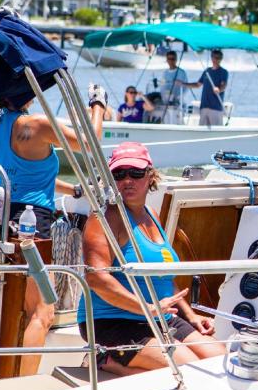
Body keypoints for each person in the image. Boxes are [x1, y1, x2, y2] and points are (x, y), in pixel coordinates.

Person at [0, 88, 107, 376]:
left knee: (14, 306)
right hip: (33, 226)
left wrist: (72, 189)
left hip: (3, 221)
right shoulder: (36, 125)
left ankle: (1, 374)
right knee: (43, 312)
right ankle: (25, 386)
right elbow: (91, 143)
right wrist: (98, 106)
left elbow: (24, 178)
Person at [77, 142, 224, 373]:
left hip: (158, 316)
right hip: (113, 321)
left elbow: (164, 280)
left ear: (150, 176)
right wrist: (147, 308)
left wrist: (191, 315)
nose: (127, 180)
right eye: (119, 174)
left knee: (220, 361)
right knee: (190, 370)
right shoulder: (104, 219)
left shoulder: (152, 215)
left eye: (135, 173)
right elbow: (96, 279)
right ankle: (106, 362)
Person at [159, 49, 196, 124]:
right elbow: (162, 86)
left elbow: (185, 88)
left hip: (178, 103)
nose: (171, 61)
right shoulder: (165, 73)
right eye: (169, 59)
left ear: (176, 60)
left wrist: (176, 97)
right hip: (166, 103)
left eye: (173, 59)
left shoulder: (181, 72)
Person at [197, 50, 228, 127]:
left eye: (219, 58)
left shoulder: (223, 72)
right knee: (201, 131)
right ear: (211, 58)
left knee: (216, 130)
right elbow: (198, 84)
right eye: (215, 57)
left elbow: (223, 85)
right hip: (204, 106)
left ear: (221, 59)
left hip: (215, 108)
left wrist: (219, 89)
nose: (216, 59)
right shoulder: (207, 71)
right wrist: (183, 84)